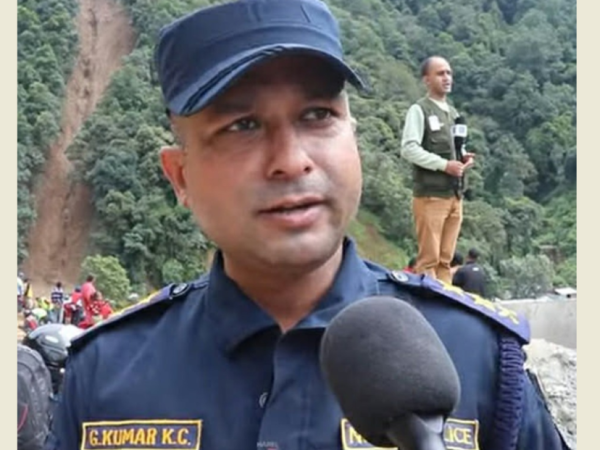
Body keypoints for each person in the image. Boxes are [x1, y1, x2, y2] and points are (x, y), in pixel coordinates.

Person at [45, 1, 568, 449]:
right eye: (243, 125)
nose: (292, 161)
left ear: (353, 134)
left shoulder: (480, 360)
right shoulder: (103, 374)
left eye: (318, 115)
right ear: (180, 176)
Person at [400, 56, 475, 284]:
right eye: (440, 73)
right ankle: (427, 302)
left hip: (454, 196)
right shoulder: (419, 110)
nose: (446, 78)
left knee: (445, 261)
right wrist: (444, 165)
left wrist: (463, 158)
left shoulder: (453, 113)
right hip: (430, 196)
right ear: (427, 79)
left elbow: (455, 148)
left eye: (449, 73)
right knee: (429, 260)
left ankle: (443, 299)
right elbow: (409, 149)